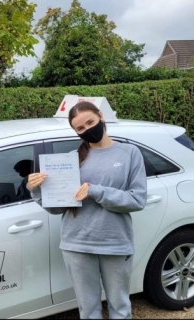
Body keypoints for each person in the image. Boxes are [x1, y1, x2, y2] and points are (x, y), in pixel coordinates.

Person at [27, 101, 147, 319]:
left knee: (119, 306)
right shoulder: (70, 160)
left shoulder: (129, 153)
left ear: (100, 116)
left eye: (90, 122)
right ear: (75, 132)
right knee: (88, 309)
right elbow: (57, 209)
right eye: (80, 128)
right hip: (77, 244)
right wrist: (36, 190)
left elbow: (137, 200)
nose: (87, 130)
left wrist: (97, 192)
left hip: (115, 242)